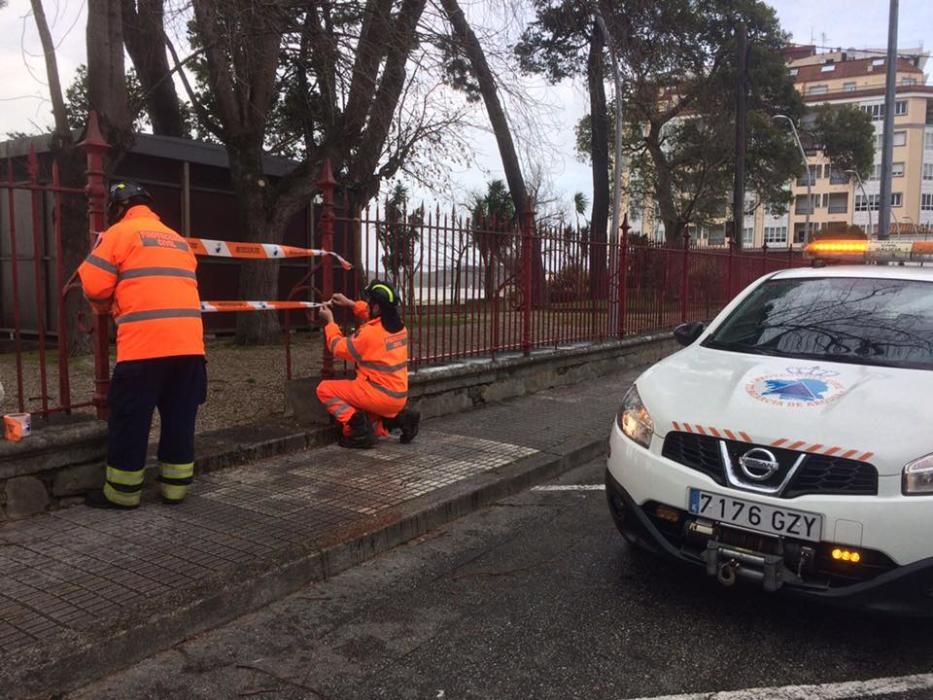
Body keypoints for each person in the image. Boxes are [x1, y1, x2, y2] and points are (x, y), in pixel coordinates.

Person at [78, 182, 207, 509]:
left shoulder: (118, 234)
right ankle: (175, 488)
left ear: (117, 208)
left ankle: (122, 493)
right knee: (180, 417)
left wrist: (106, 306)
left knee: (130, 419)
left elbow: (93, 285)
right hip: (190, 347)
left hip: (143, 348)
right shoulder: (177, 240)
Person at [316, 280, 420, 448]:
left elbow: (338, 347)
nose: (368, 305)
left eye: (370, 302)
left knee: (324, 389)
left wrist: (330, 323)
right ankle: (401, 419)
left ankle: (358, 432)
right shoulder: (399, 327)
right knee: (372, 420)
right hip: (398, 396)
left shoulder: (369, 334)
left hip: (379, 396)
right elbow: (372, 315)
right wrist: (350, 303)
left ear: (377, 307)